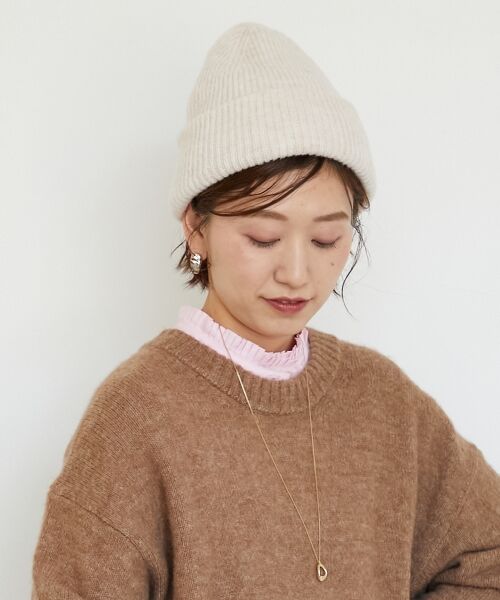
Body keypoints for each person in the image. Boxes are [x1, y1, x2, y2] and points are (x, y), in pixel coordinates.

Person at [31, 21, 500, 599]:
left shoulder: (385, 401)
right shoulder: (134, 417)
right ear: (196, 227)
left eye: (327, 239)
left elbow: (488, 555)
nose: (297, 273)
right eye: (263, 238)